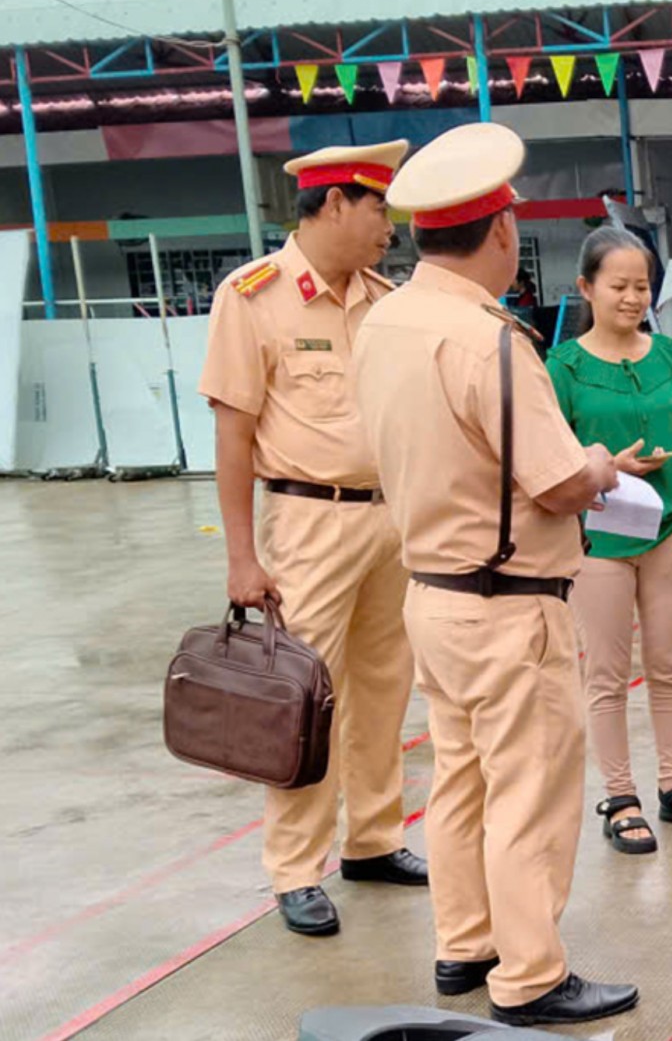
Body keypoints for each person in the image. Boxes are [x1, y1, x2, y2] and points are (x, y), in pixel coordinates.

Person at [351, 122, 638, 1025]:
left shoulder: (384, 320)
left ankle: (464, 944)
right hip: (511, 603)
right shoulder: (489, 340)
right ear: (504, 230)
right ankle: (530, 976)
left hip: (431, 593)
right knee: (530, 789)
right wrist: (599, 463)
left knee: (462, 780)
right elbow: (554, 480)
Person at [198, 140, 426, 938]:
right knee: (304, 700)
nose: (388, 228)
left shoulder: (380, 297)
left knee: (383, 686)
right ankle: (297, 869)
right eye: (377, 210)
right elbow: (234, 435)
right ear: (334, 204)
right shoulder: (254, 296)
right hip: (308, 521)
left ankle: (373, 838)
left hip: (389, 518)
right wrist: (241, 556)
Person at [546, 227, 672, 856]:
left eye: (641, 286)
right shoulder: (562, 368)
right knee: (606, 674)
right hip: (596, 545)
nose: (631, 298)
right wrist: (608, 471)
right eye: (618, 286)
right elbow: (551, 464)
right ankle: (620, 796)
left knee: (671, 669)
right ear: (586, 289)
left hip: (668, 536)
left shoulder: (669, 356)